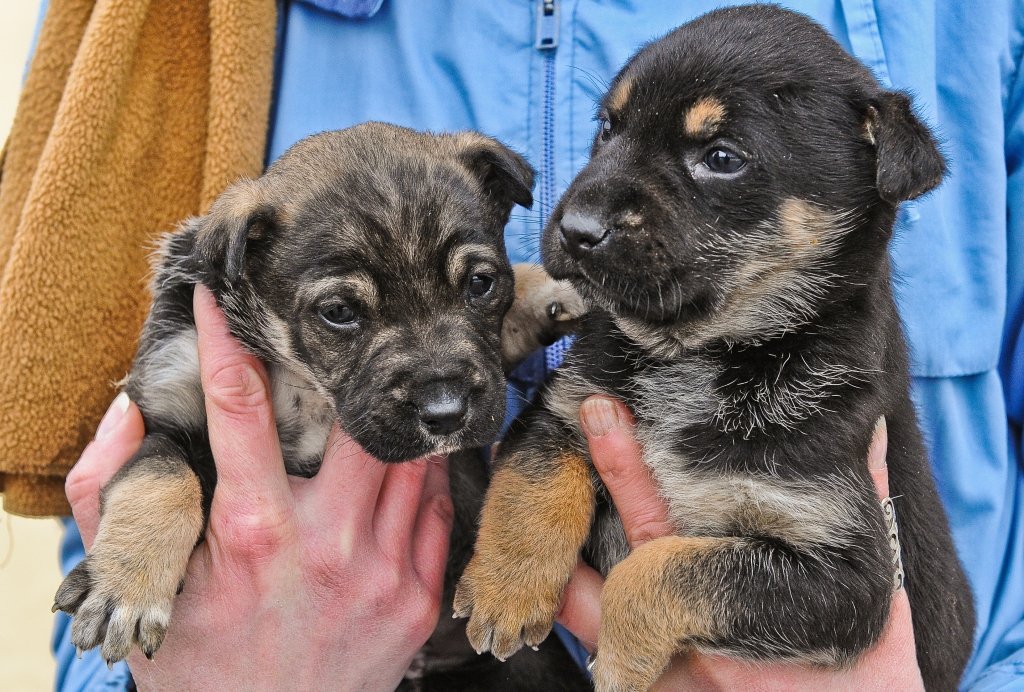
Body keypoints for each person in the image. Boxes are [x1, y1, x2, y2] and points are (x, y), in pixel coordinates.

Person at [52, 1, 1024, 689]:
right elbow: (106, 459)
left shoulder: (956, 35)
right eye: (613, 134)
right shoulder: (178, 34)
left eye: (716, 157)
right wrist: (187, 672)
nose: (589, 212)